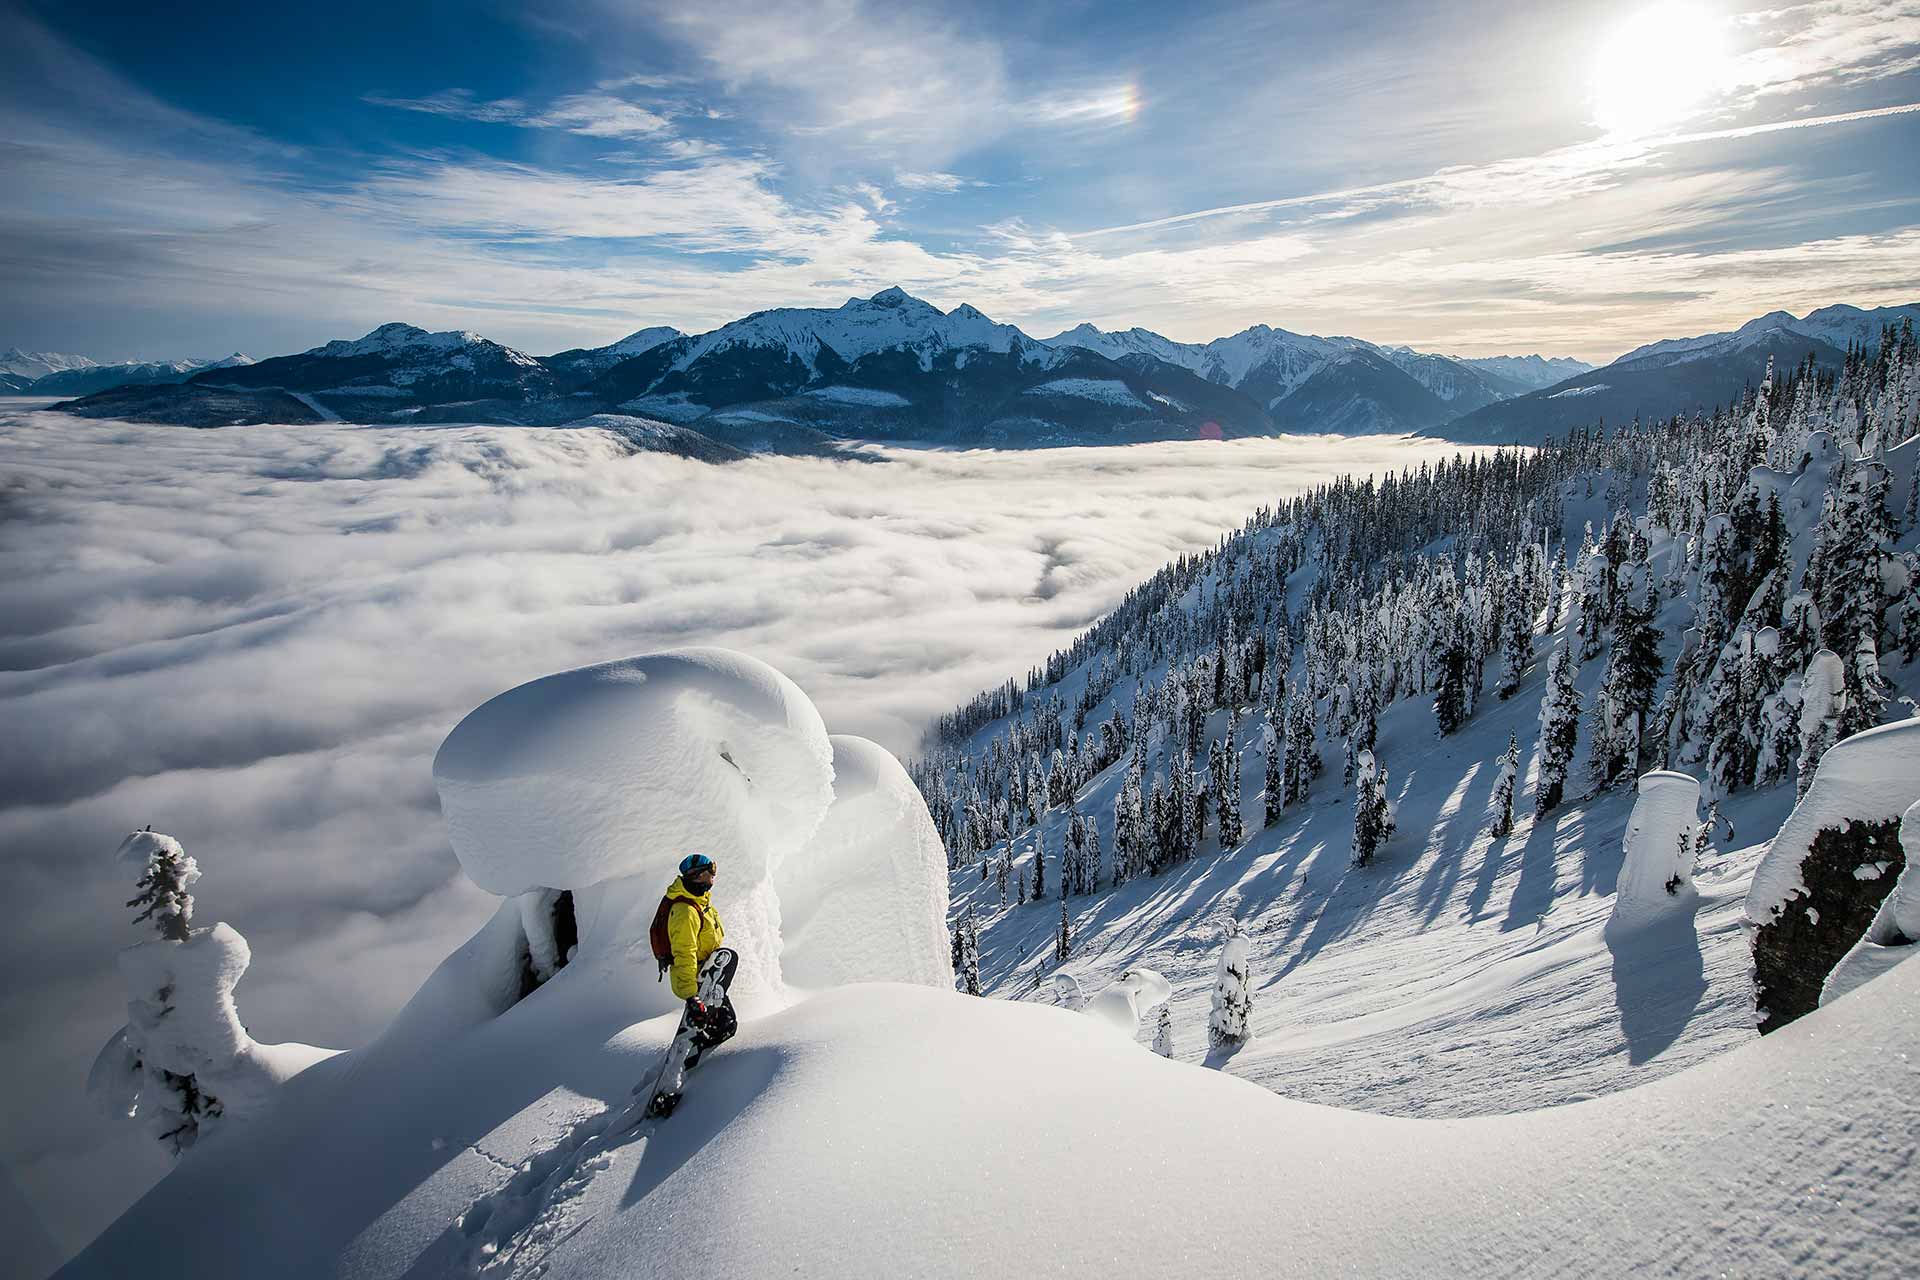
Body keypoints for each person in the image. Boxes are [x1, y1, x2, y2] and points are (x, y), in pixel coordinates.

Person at [656, 853, 738, 1068]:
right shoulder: (686, 911)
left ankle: (701, 1054)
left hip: (708, 975)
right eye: (710, 873)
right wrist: (692, 997)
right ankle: (698, 1066)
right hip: (697, 979)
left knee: (725, 1025)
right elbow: (684, 953)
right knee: (725, 1026)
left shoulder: (699, 902)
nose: (713, 877)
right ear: (699, 876)